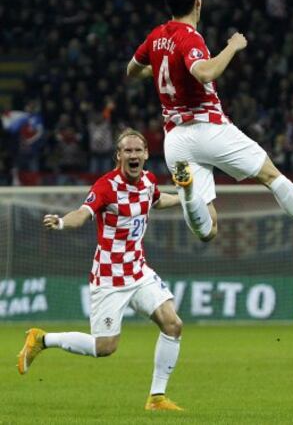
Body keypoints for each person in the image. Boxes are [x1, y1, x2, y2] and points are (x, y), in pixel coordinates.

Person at [127, 0, 293, 259]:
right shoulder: (190, 39)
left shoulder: (155, 36)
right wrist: (233, 46)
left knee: (208, 230)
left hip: (176, 141)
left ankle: (189, 192)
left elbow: (131, 70)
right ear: (199, 1)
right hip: (208, 128)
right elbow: (205, 71)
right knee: (272, 175)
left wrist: (156, 69)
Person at [17, 128, 184, 411]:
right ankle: (41, 339)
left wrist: (183, 198)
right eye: (127, 151)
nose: (133, 155)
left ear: (146, 154)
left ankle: (157, 398)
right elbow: (82, 214)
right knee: (105, 347)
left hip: (138, 270)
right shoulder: (106, 186)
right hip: (109, 276)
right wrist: (60, 222)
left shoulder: (148, 180)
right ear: (118, 156)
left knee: (173, 324)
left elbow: (156, 199)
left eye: (137, 150)